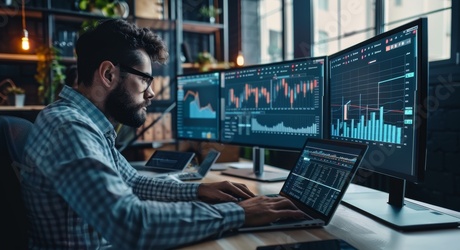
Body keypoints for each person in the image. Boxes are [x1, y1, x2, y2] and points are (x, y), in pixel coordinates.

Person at [21, 19, 303, 249]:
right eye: (144, 79)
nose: (152, 92)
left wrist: (198, 190)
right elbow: (130, 224)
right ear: (108, 74)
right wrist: (239, 213)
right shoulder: (69, 128)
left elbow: (132, 182)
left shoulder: (86, 124)